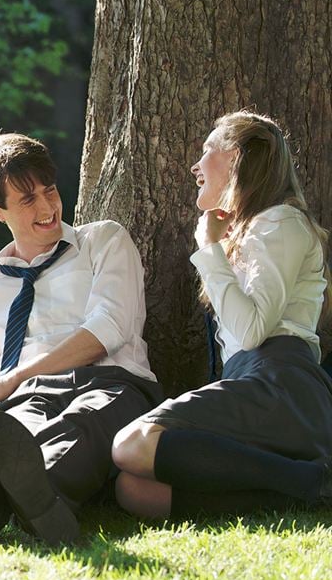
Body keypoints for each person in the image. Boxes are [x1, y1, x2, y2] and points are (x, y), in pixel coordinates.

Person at [0, 132, 162, 544]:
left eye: (49, 190)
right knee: (18, 430)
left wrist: (13, 378)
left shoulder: (102, 241)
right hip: (27, 400)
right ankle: (30, 502)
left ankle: (9, 496)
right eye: (27, 199)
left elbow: (109, 328)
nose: (48, 207)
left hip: (109, 383)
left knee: (81, 423)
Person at [112, 111, 332, 520]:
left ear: (235, 159)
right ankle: (300, 490)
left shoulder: (279, 222)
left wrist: (209, 249)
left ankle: (312, 481)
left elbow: (251, 332)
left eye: (207, 150)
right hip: (249, 384)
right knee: (135, 490)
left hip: (279, 384)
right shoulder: (251, 231)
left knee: (131, 444)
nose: (197, 165)